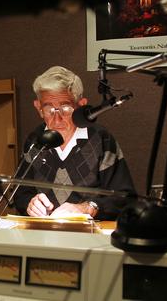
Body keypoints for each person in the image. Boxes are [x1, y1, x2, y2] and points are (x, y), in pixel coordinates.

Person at [13, 66, 136, 220]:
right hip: (44, 234)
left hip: (89, 237)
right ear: (38, 108)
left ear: (82, 105)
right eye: (49, 109)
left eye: (66, 108)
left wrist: (88, 208)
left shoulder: (102, 139)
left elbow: (125, 198)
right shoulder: (35, 140)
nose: (57, 119)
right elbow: (20, 195)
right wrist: (30, 204)